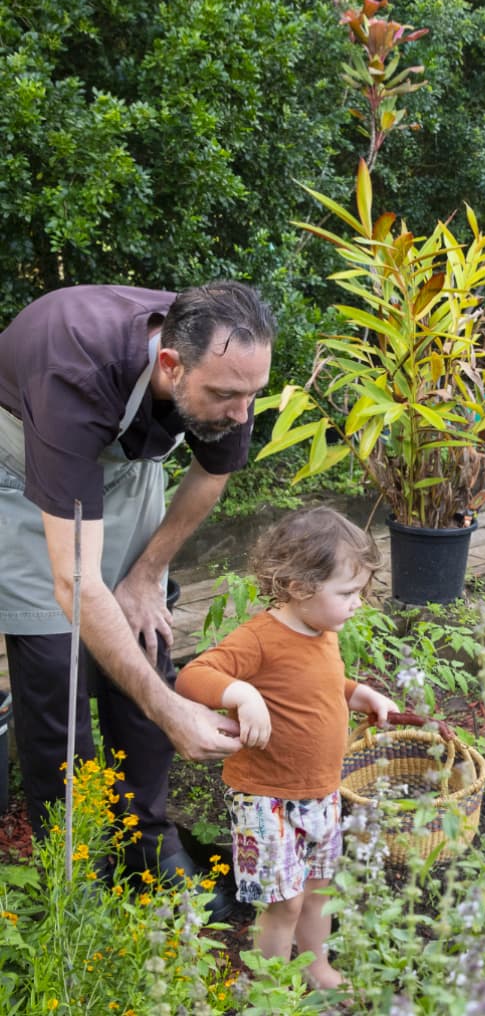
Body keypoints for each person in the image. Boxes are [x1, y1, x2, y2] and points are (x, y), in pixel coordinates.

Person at [0, 280, 274, 878]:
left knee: (146, 637)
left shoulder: (230, 365)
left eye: (253, 395)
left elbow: (212, 472)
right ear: (171, 366)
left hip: (124, 467)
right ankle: (72, 865)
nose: (242, 413)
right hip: (23, 472)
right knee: (56, 663)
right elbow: (76, 583)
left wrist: (147, 575)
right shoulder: (71, 372)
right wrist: (173, 713)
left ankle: (146, 845)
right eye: (228, 396)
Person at [175, 507, 398, 992]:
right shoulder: (259, 637)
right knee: (285, 903)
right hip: (267, 800)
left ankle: (316, 968)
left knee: (319, 893)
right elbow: (194, 675)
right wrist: (242, 693)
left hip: (321, 792)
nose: (357, 603)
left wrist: (363, 695)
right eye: (347, 593)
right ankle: (270, 987)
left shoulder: (323, 632)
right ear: (299, 587)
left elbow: (322, 684)